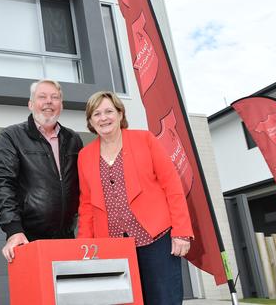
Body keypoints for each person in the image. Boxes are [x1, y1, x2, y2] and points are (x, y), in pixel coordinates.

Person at [77, 91, 193, 305]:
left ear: (120, 114)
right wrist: (84, 247)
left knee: (164, 300)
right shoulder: (85, 156)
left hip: (156, 240)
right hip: (112, 248)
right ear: (91, 121)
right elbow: (86, 206)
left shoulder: (145, 139)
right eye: (96, 114)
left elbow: (172, 185)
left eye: (109, 111)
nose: (103, 118)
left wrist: (182, 231)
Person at [0, 79, 83, 262]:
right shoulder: (11, 136)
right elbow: (2, 185)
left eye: (54, 97)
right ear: (31, 104)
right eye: (42, 97)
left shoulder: (73, 139)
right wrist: (13, 230)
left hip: (67, 238)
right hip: (27, 239)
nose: (49, 101)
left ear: (61, 105)